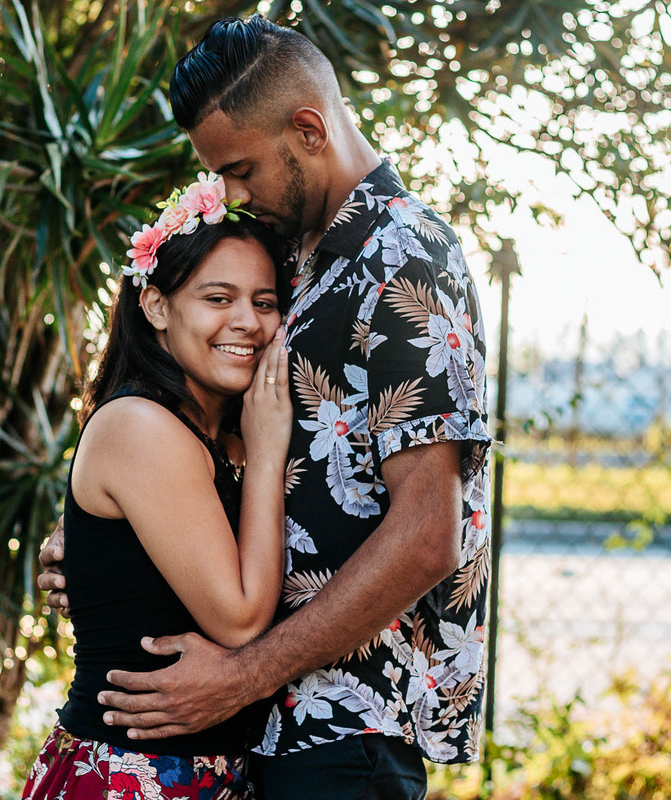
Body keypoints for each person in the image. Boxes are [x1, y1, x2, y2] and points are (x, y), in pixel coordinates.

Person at [40, 16, 493, 799]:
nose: (233, 195)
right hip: (262, 735)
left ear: (308, 129)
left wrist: (241, 677)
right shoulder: (296, 259)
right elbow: (209, 443)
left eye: (242, 170)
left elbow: (427, 535)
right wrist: (100, 541)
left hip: (343, 735)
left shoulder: (404, 256)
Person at [21, 174, 294, 800]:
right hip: (128, 777)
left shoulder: (226, 435)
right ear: (156, 306)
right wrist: (271, 445)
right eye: (217, 298)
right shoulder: (140, 425)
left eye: (265, 301)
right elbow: (242, 619)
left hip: (214, 777)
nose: (247, 322)